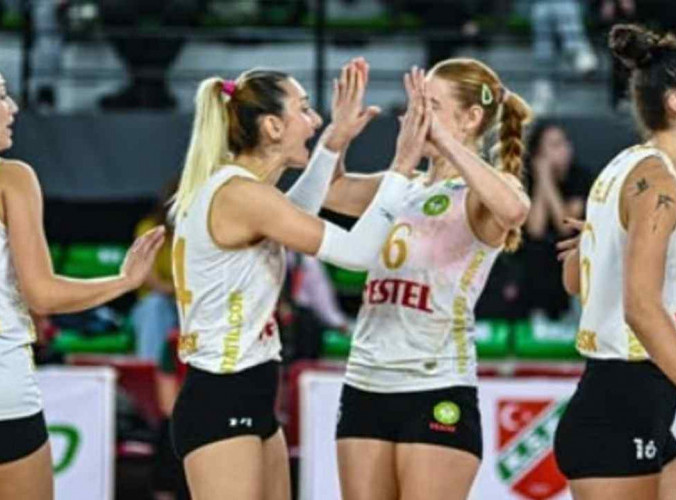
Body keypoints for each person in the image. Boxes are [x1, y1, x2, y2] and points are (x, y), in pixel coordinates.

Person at [169, 58, 430, 499]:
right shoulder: (242, 195)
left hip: (249, 388)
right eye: (304, 109)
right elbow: (357, 253)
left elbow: (296, 212)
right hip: (222, 392)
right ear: (273, 126)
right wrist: (401, 167)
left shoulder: (246, 192)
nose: (315, 120)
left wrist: (334, 143)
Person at [326, 58, 532, 500]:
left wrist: (444, 141)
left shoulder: (477, 193)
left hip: (435, 383)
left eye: (430, 106)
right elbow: (329, 192)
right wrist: (338, 137)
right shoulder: (400, 185)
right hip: (366, 380)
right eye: (414, 106)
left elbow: (514, 210)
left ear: (470, 118)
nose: (414, 116)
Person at [0, 73, 165, 500]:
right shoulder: (12, 178)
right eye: (1, 97)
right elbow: (42, 294)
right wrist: (125, 281)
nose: (13, 108)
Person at [554, 24, 676, 500]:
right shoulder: (656, 183)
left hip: (631, 404)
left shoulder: (625, 166)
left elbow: (573, 280)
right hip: (621, 406)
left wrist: (598, 247)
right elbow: (640, 308)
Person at [523, 120, 593, 319]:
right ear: (538, 154)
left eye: (565, 143)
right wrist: (542, 179)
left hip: (570, 261)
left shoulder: (581, 177)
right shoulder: (527, 181)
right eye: (555, 145)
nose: (564, 150)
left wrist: (546, 180)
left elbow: (565, 225)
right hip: (537, 265)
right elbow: (535, 229)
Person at [131, 179, 178, 362]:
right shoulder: (150, 229)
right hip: (158, 305)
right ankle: (149, 367)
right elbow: (147, 277)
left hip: (192, 307)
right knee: (155, 305)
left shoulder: (203, 232)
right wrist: (180, 291)